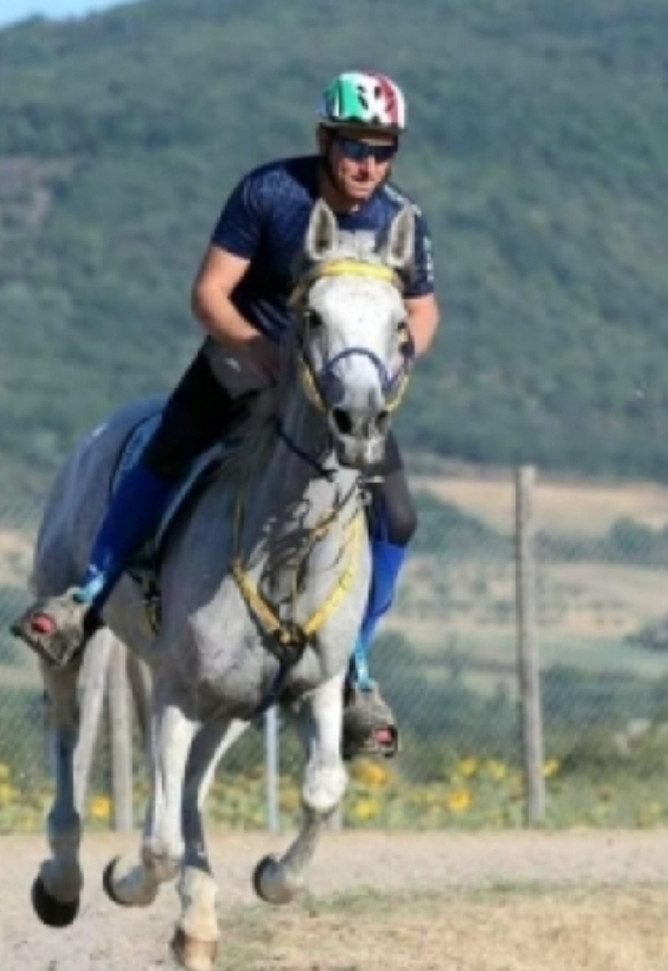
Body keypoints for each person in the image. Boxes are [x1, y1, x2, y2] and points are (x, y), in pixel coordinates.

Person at [11, 69, 440, 759]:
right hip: (244, 362)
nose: (368, 163)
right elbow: (210, 293)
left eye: (383, 149)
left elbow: (421, 305)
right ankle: (84, 598)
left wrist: (392, 360)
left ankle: (356, 669)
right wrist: (260, 350)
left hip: (336, 394)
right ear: (325, 141)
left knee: (401, 515)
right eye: (355, 146)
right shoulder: (269, 193)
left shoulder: (399, 218)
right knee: (167, 448)